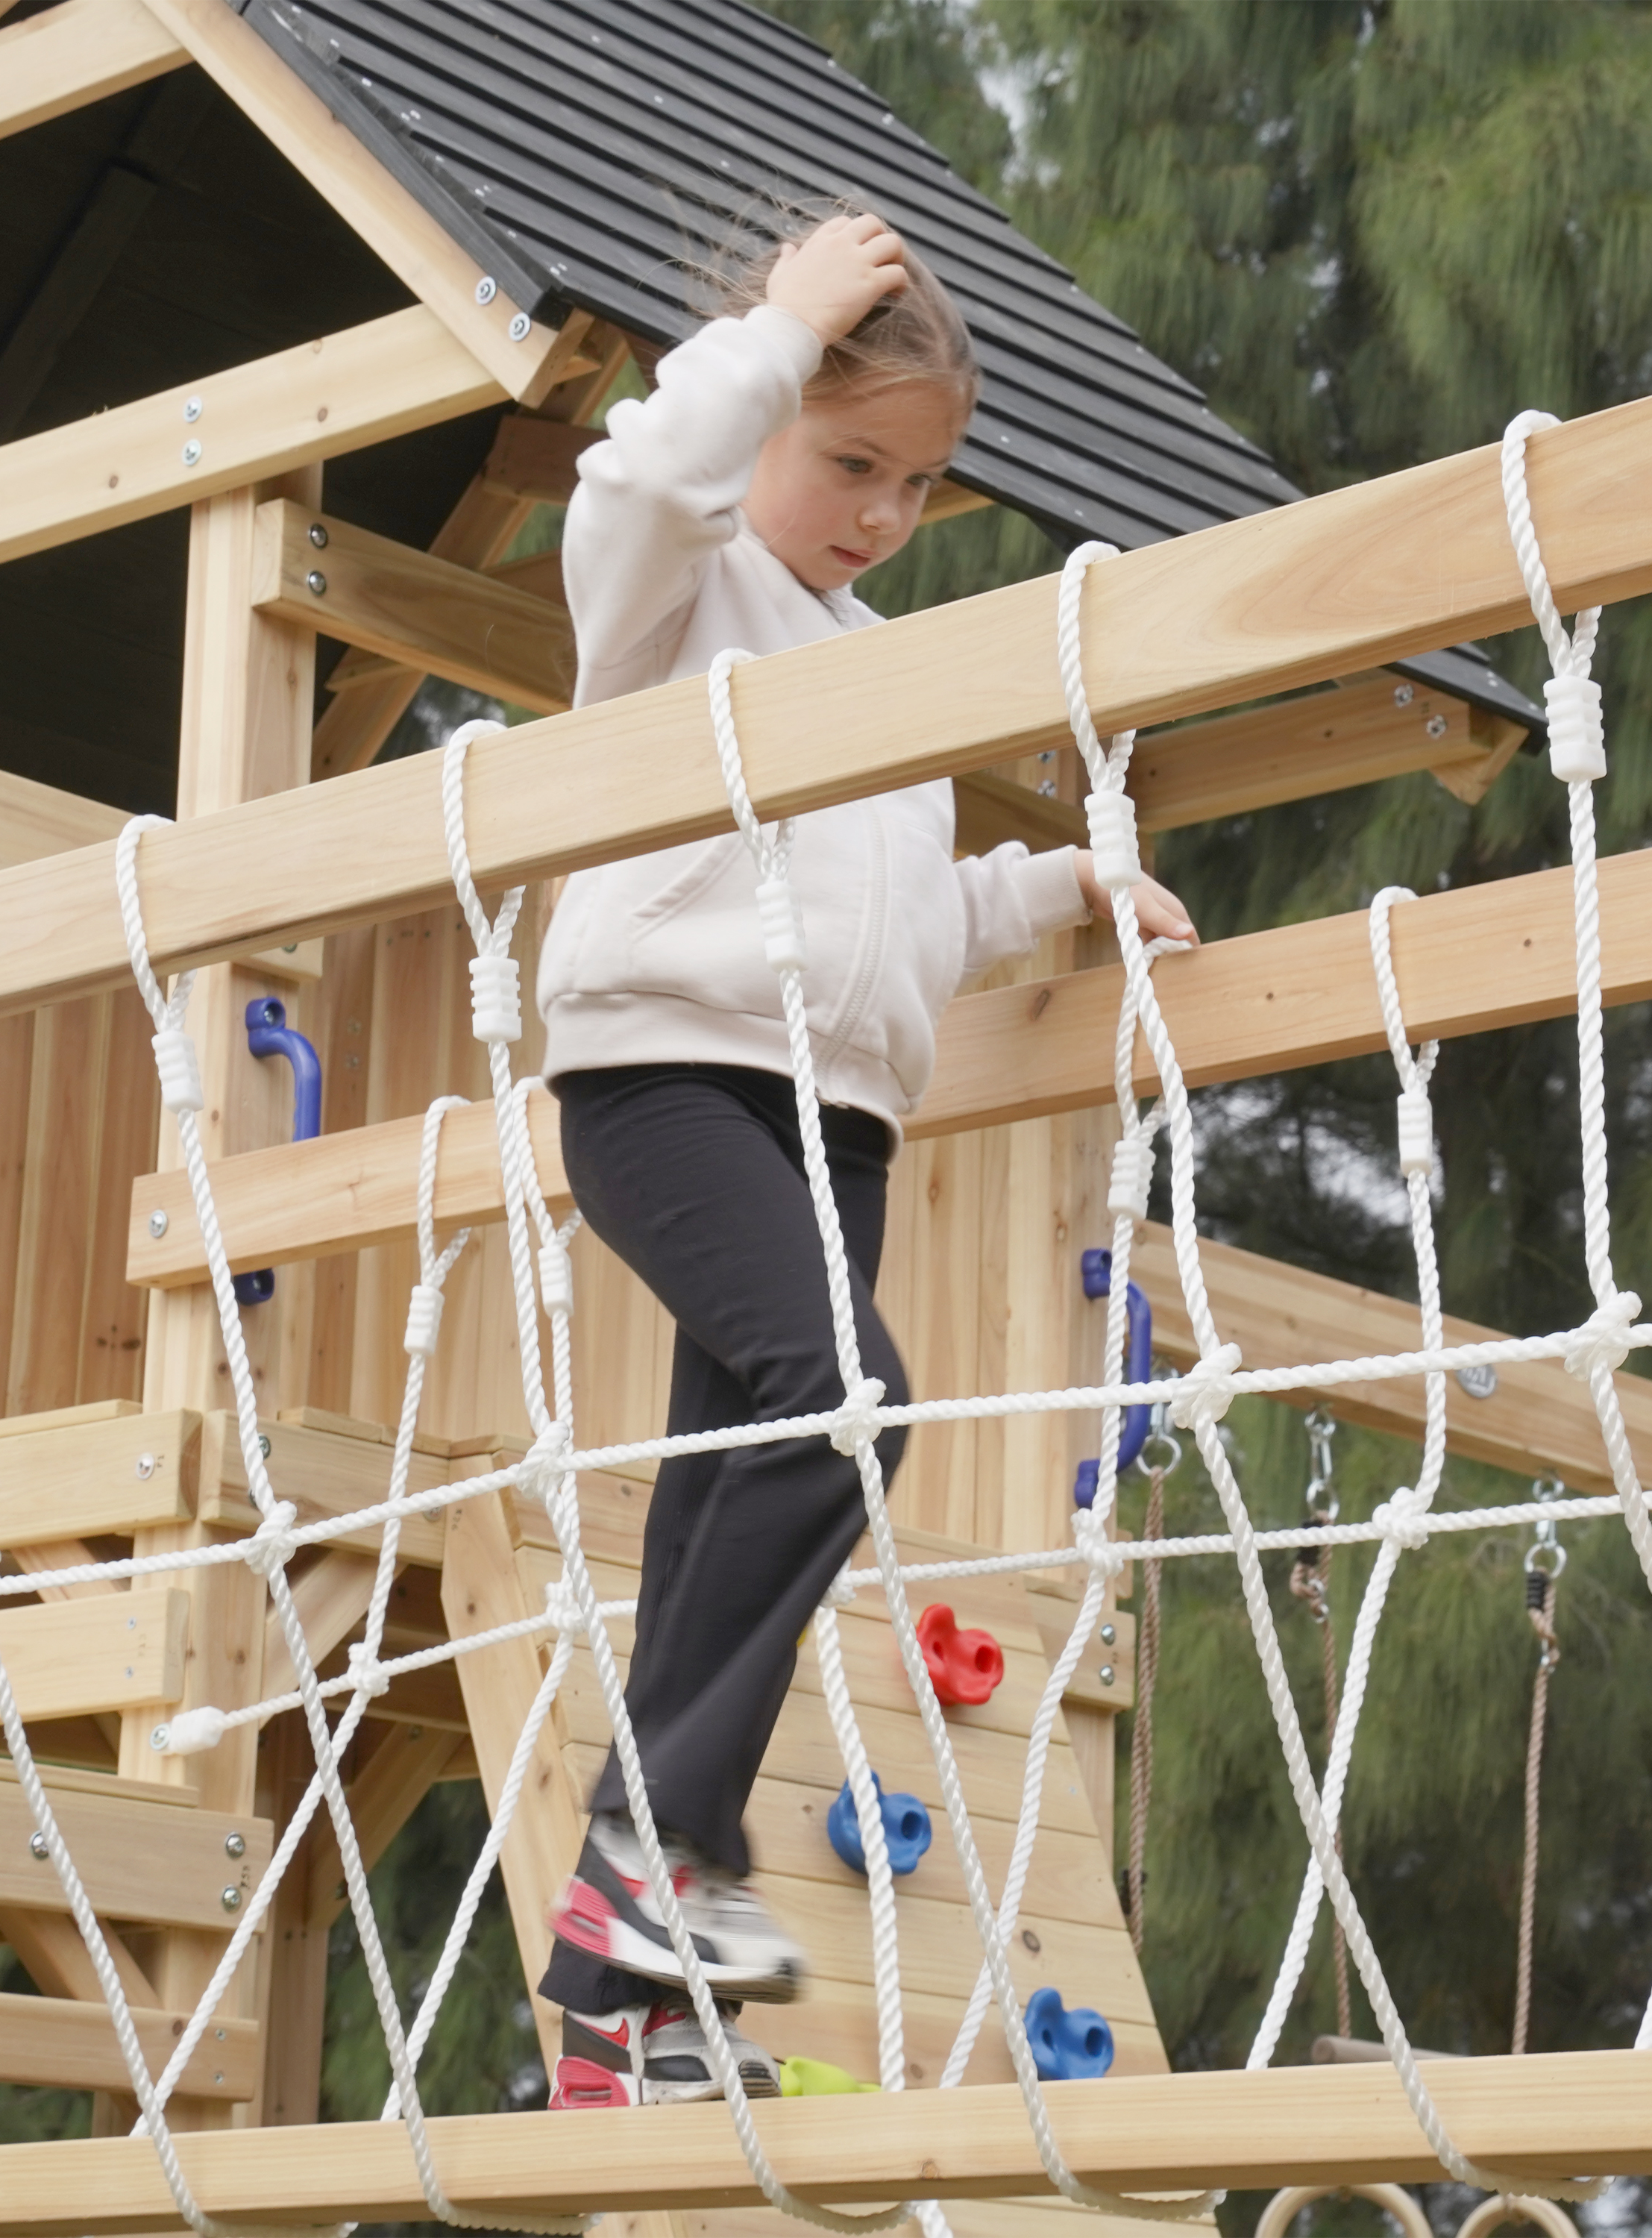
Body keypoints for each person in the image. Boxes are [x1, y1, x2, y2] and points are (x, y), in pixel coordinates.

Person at [530, 210, 1195, 2110]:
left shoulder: (877, 672)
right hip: (668, 1072)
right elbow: (640, 478)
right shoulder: (674, 591)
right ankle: (646, 1874)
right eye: (848, 462)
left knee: (699, 1547)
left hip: (841, 1123)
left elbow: (902, 903)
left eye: (916, 483)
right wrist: (776, 325)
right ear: (760, 417)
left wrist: (1054, 885)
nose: (881, 513)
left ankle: (623, 2031)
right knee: (847, 1399)